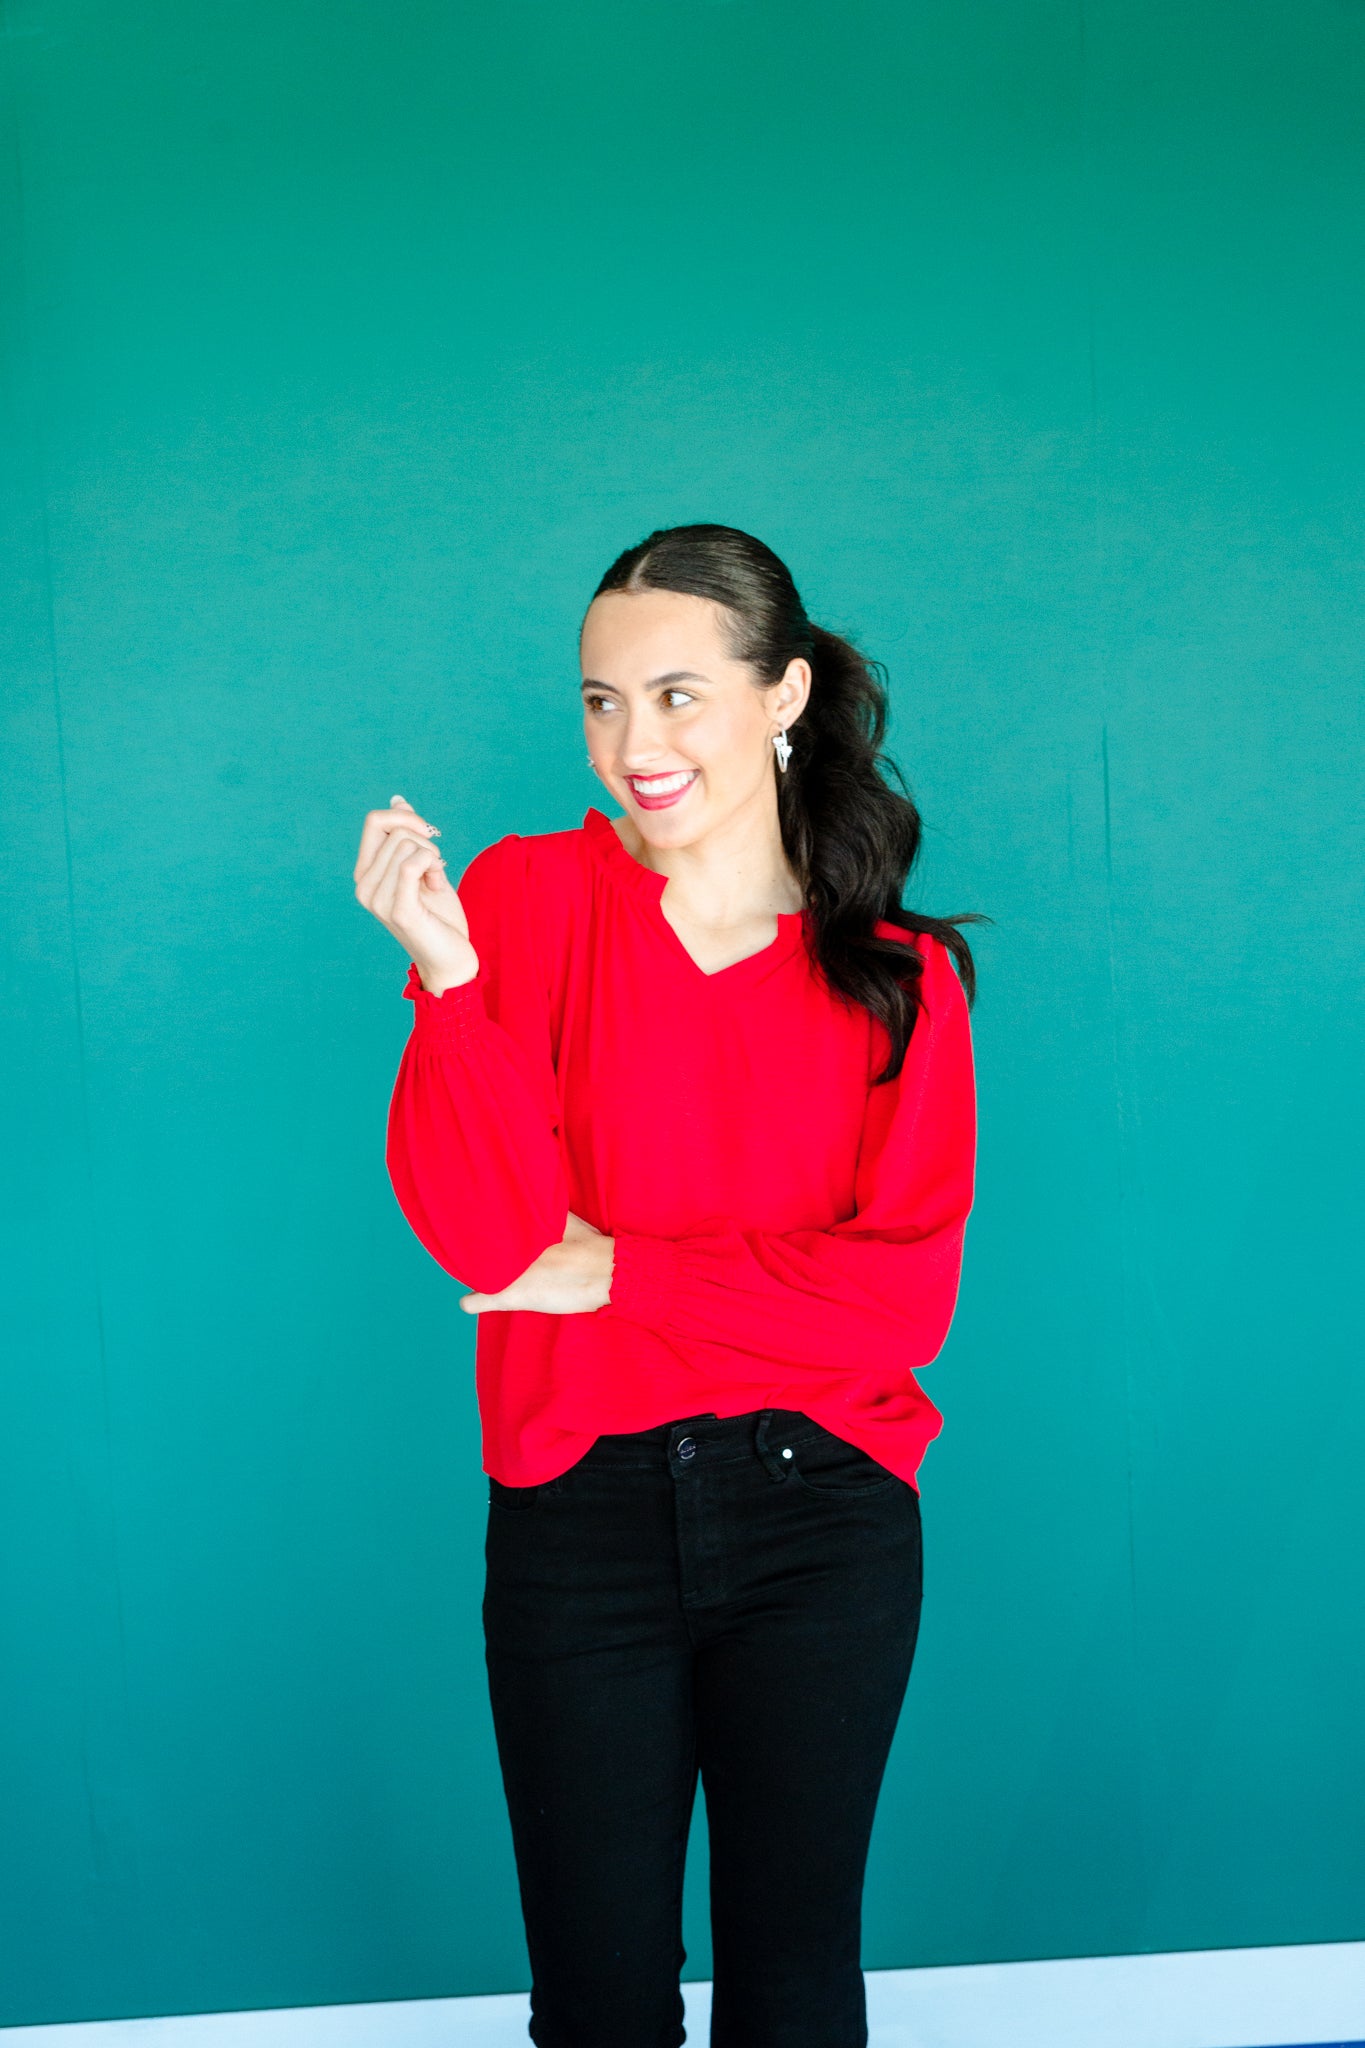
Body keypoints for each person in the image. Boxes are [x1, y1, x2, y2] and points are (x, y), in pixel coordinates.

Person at [352, 523, 982, 2048]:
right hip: (580, 1516)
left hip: (822, 1516)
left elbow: (897, 1308)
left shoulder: (897, 976)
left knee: (793, 1987)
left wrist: (621, 1268)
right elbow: (496, 1244)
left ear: (783, 695)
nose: (635, 741)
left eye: (679, 693)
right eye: (602, 700)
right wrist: (446, 982)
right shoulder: (517, 900)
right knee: (598, 1998)